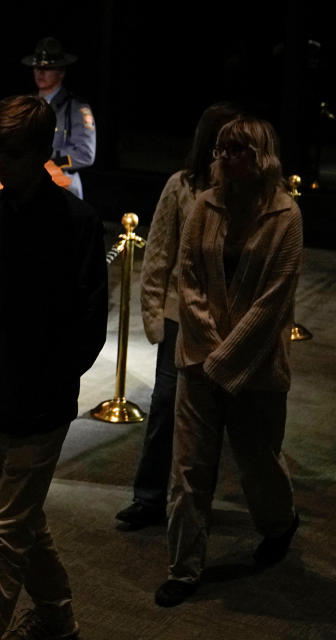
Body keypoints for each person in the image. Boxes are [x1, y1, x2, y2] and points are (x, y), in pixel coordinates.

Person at [0, 95, 108, 640]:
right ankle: (58, 613)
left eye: (10, 153)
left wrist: (57, 375)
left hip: (40, 398)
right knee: (22, 520)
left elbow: (90, 319)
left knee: (7, 529)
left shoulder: (77, 223)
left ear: (41, 152)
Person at [155, 116, 303, 607]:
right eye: (220, 150)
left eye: (236, 150)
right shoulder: (205, 204)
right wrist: (210, 347)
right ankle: (183, 568)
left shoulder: (285, 216)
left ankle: (279, 524)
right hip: (198, 358)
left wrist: (227, 358)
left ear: (259, 157)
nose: (224, 159)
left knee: (258, 462)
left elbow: (272, 301)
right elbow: (189, 278)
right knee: (189, 467)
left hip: (258, 366)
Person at [115, 103, 241, 530]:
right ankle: (148, 497)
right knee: (166, 405)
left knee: (221, 414)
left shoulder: (244, 189)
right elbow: (157, 255)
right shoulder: (181, 186)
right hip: (178, 317)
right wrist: (153, 315)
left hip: (227, 320)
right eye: (223, 142)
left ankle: (197, 501)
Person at [21, 37, 95, 200]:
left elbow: (85, 154)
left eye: (47, 68)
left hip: (62, 188)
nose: (40, 73)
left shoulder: (76, 109)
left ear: (61, 72)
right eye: (37, 67)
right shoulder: (26, 105)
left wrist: (46, 156)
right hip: (29, 187)